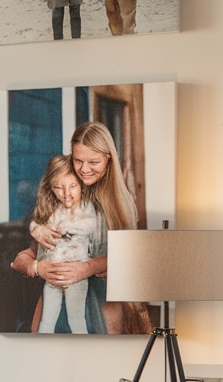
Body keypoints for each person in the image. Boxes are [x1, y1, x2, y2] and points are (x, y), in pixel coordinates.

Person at [11, 121, 141, 334]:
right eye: (78, 160)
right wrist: (35, 251)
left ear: (109, 160)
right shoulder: (61, 197)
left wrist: (89, 267)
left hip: (103, 306)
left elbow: (132, 259)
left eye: (94, 162)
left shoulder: (120, 204)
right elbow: (30, 254)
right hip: (55, 295)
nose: (84, 169)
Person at [31, 157, 100, 333]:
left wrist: (65, 229)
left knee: (76, 320)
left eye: (73, 186)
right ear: (51, 188)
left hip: (75, 276)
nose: (66, 193)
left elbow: (90, 227)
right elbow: (37, 224)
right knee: (46, 321)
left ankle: (82, 354)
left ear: (82, 187)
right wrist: (36, 229)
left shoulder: (87, 209)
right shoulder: (53, 210)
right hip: (52, 277)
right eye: (59, 188)